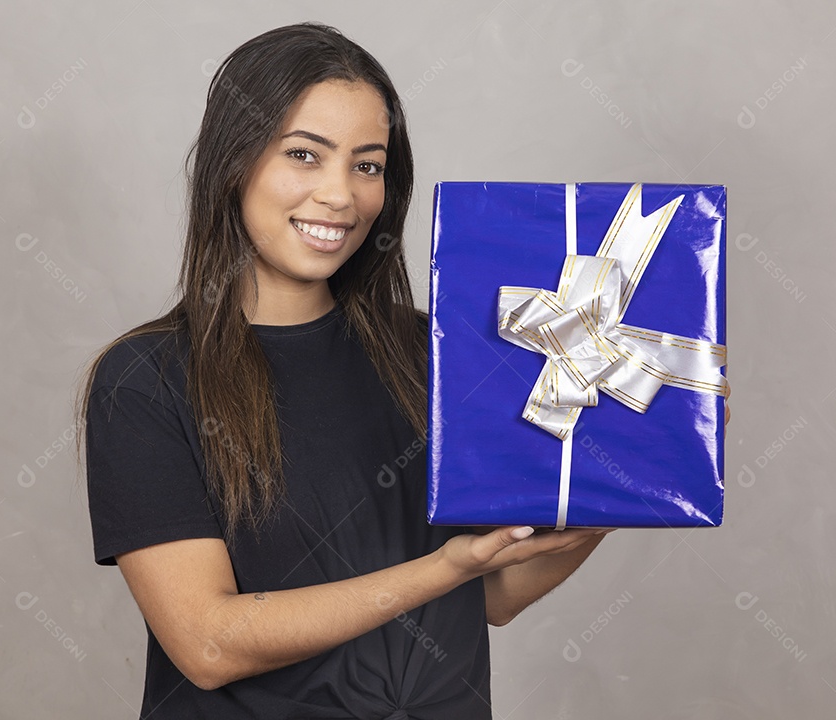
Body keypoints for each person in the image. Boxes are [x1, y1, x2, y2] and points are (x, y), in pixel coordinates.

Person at [76, 21, 617, 719]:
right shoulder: (146, 379)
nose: (341, 196)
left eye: (367, 165)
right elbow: (208, 644)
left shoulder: (442, 353)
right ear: (232, 163)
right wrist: (443, 567)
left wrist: (620, 487)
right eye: (305, 155)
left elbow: (490, 596)